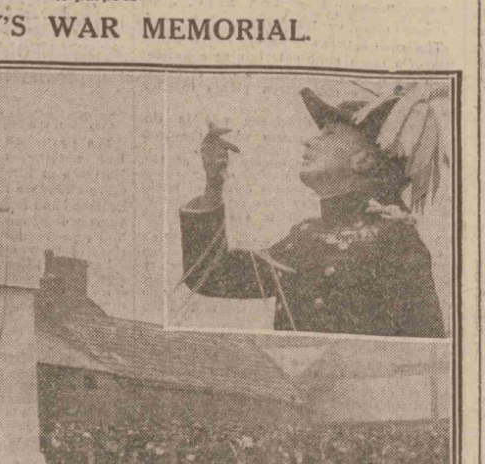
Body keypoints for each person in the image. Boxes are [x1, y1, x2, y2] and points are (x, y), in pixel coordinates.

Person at [179, 87, 445, 338]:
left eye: (329, 134)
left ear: (364, 160)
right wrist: (213, 185)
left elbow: (424, 336)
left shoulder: (396, 240)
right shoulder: (305, 236)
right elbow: (210, 276)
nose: (309, 141)